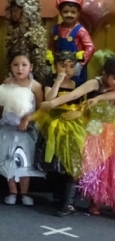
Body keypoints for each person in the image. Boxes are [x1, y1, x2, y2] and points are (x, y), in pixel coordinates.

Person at [40, 56, 115, 215]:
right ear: (105, 73)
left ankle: (110, 200)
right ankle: (71, 203)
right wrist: (52, 103)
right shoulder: (95, 83)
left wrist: (100, 97)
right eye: (114, 78)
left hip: (111, 129)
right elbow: (74, 95)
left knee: (110, 167)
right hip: (93, 128)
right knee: (84, 164)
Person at [0, 53, 44, 206]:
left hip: (25, 131)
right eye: (15, 65)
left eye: (24, 65)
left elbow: (41, 110)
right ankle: (12, 191)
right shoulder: (7, 82)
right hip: (7, 128)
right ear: (11, 67)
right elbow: (1, 103)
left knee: (24, 161)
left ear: (31, 67)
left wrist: (27, 118)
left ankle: (24, 193)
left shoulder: (35, 86)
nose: (20, 68)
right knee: (8, 159)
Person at [32, 51, 87, 216]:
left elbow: (83, 105)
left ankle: (69, 203)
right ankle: (59, 196)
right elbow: (49, 99)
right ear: (55, 66)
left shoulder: (78, 84)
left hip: (73, 127)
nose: (67, 70)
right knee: (56, 164)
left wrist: (78, 113)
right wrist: (58, 81)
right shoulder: (50, 82)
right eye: (63, 66)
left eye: (71, 66)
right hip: (54, 125)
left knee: (71, 163)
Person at [50, 0, 94, 86]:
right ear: (60, 12)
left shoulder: (81, 30)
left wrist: (80, 64)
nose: (69, 14)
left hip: (75, 69)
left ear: (78, 13)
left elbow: (90, 47)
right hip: (59, 68)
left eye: (73, 12)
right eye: (65, 11)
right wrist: (50, 60)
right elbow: (52, 46)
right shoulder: (55, 29)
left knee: (76, 88)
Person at [4, 0, 49, 84]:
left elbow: (38, 62)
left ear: (27, 12)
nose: (13, 14)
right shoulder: (13, 31)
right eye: (12, 11)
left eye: (16, 11)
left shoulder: (35, 34)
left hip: (31, 78)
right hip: (14, 75)